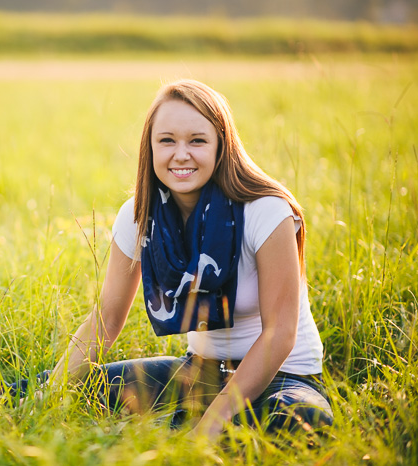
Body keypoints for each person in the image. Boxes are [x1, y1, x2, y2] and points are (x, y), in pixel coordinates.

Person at [43, 79, 333, 439]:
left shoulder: (265, 211)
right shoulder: (139, 215)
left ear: (221, 146)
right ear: (150, 148)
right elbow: (107, 317)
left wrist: (212, 422)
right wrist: (50, 394)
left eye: (197, 140)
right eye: (167, 140)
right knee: (76, 384)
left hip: (283, 378)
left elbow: (280, 333)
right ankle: (182, 421)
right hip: (199, 373)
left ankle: (190, 426)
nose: (181, 154)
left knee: (303, 420)